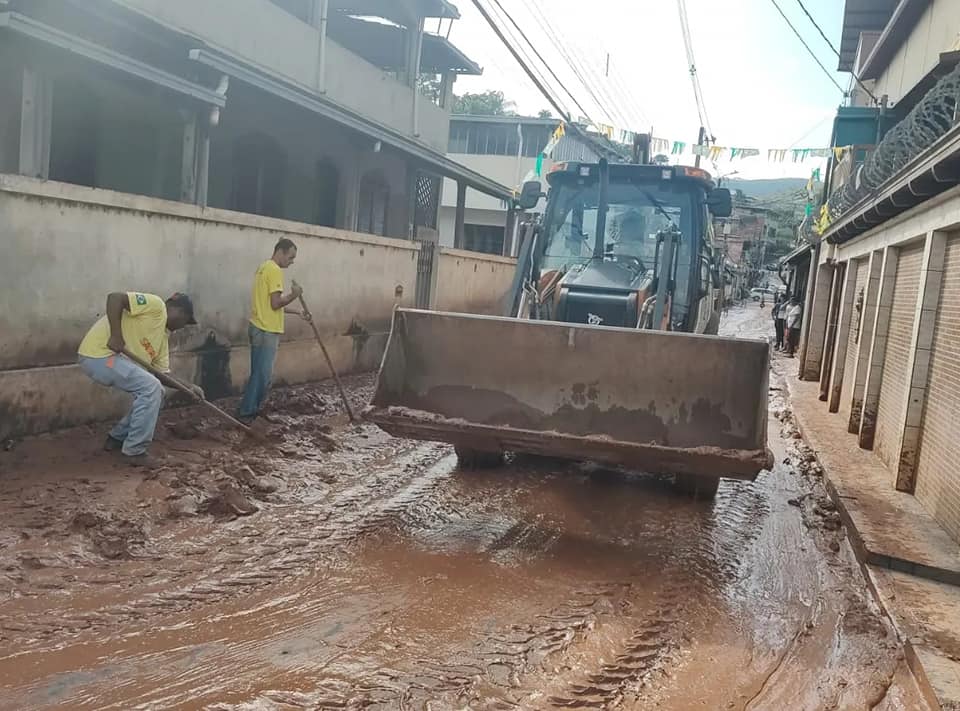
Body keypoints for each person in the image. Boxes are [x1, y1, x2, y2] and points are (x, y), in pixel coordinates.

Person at [78, 292, 201, 467]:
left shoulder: (162, 340)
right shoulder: (156, 306)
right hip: (100, 355)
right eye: (186, 320)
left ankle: (117, 438)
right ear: (178, 309)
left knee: (157, 392)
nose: (183, 326)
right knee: (151, 388)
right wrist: (116, 335)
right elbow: (115, 298)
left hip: (113, 361)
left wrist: (189, 388)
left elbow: (162, 374)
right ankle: (135, 451)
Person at [237, 238, 308, 424]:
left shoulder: (263, 268)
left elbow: (270, 305)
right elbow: (276, 303)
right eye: (290, 257)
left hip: (259, 325)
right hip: (266, 329)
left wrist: (297, 311)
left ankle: (249, 410)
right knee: (263, 376)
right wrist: (294, 294)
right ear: (281, 252)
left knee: (259, 374)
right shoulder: (275, 270)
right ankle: (247, 413)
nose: (292, 261)